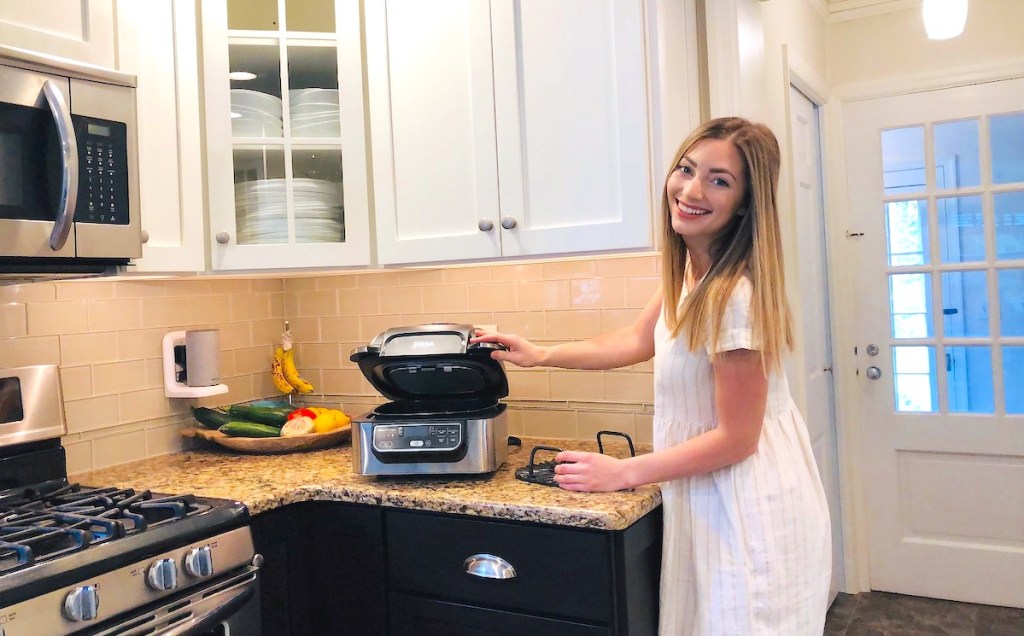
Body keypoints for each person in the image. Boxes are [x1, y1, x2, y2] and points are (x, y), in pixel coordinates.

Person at [472, 117, 832, 635]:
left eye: (719, 180)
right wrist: (541, 354)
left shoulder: (735, 296)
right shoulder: (692, 271)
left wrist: (623, 473)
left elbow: (739, 439)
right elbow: (638, 340)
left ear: (746, 205)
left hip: (747, 509)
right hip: (709, 497)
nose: (690, 189)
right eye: (686, 169)